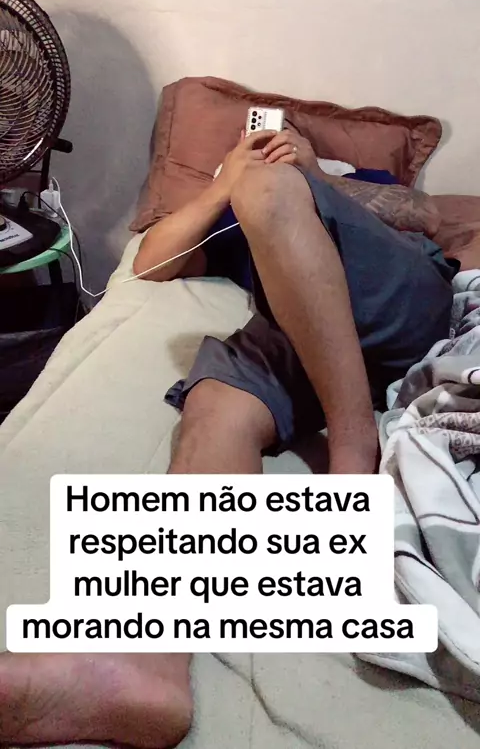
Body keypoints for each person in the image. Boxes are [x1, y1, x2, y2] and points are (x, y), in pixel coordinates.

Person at [0, 125, 458, 748]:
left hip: (400, 304)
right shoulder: (232, 208)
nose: (265, 141)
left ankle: (353, 450)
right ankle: (140, 665)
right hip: (295, 328)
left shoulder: (338, 185)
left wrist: (311, 176)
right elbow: (149, 266)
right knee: (213, 410)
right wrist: (224, 187)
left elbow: (429, 215)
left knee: (272, 190)